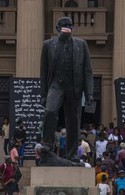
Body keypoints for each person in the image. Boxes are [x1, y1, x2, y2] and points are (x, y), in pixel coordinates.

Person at [40, 16, 94, 161]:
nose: (67, 27)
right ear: (58, 28)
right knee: (50, 112)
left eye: (70, 25)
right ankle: (48, 144)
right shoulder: (48, 45)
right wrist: (43, 94)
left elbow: (87, 70)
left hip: (74, 87)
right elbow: (44, 72)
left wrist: (89, 93)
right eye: (64, 25)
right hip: (56, 85)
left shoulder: (81, 44)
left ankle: (72, 154)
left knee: (73, 121)